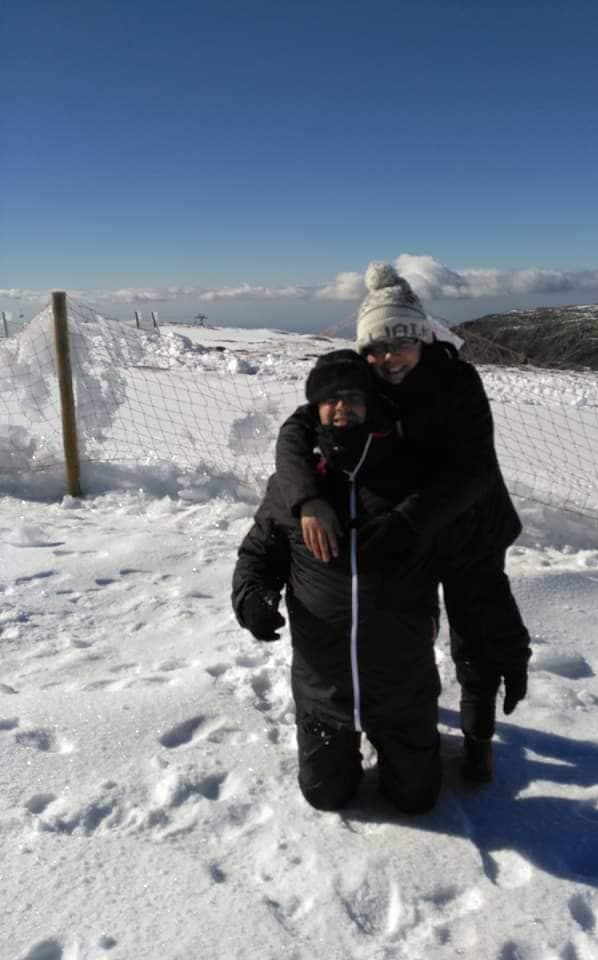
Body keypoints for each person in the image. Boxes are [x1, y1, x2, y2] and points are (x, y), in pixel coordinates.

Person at [274, 263, 531, 784]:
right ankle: (402, 712)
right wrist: (305, 499)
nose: (388, 359)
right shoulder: (364, 380)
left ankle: (479, 737)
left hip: (468, 527)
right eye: (376, 348)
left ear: (424, 338)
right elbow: (299, 427)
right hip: (402, 525)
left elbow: (473, 470)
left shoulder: (458, 382)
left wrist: (411, 523)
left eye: (401, 344)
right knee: (401, 623)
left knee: (479, 634)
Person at [232, 350, 443, 814]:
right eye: (330, 399)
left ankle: (406, 738)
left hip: (401, 680)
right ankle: (339, 740)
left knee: (416, 798)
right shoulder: (294, 484)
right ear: (316, 407)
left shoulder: (408, 476)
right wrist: (251, 596)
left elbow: (456, 553)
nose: (341, 407)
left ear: (372, 403)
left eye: (352, 397)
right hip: (322, 684)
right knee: (326, 796)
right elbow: (259, 551)